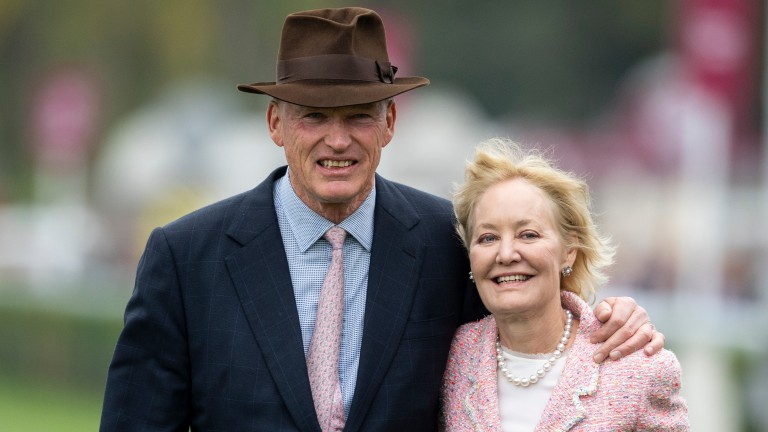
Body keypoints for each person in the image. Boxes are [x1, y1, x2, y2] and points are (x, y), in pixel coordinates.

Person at [100, 7, 665, 432]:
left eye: (359, 117)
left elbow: (530, 324)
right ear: (275, 124)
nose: (338, 139)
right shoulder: (186, 258)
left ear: (390, 122)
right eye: (315, 116)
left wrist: (610, 320)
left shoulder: (451, 246)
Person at [441, 138, 689, 431]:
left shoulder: (639, 368)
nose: (506, 254)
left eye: (528, 235)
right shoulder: (450, 356)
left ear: (569, 249)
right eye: (488, 238)